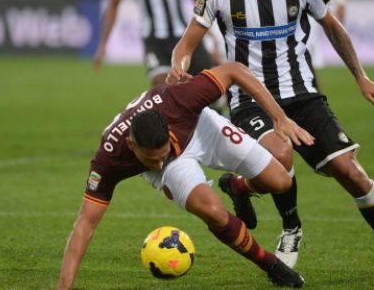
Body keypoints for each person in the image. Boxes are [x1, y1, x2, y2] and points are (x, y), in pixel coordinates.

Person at [167, 0, 374, 280]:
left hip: (303, 95)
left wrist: (361, 77)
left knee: (352, 173)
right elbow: (187, 43)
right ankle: (292, 228)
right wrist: (179, 66)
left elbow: (334, 29)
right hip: (250, 99)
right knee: (279, 154)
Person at [56, 62, 314, 289]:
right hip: (175, 166)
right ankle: (270, 265)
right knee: (212, 210)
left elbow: (234, 70)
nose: (156, 163)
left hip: (202, 128)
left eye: (160, 154)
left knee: (281, 182)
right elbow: (85, 223)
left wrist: (279, 118)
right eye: (150, 159)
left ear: (168, 132)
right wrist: (63, 287)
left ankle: (238, 187)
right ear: (132, 145)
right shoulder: (110, 157)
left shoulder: (182, 99)